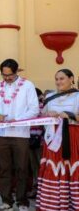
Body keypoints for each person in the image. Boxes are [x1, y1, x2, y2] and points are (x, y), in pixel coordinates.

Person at [0, 59, 39, 211]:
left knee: (22, 168)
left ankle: (22, 202)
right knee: (4, 168)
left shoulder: (28, 86)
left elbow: (34, 109)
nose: (6, 78)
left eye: (9, 75)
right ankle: (6, 201)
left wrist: (17, 120)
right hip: (2, 133)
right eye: (4, 75)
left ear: (17, 72)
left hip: (20, 134)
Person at [36, 69, 79, 210]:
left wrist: (69, 115)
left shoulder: (77, 96)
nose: (59, 82)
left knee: (72, 168)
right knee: (54, 169)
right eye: (56, 79)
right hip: (53, 140)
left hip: (72, 138)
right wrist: (48, 114)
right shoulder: (50, 97)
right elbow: (41, 117)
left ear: (71, 78)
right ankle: (52, 204)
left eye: (62, 78)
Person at [27, 88, 44, 199]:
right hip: (28, 139)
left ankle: (43, 189)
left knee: (41, 166)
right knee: (34, 167)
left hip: (41, 141)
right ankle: (35, 188)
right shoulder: (27, 108)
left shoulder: (42, 107)